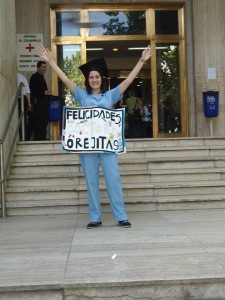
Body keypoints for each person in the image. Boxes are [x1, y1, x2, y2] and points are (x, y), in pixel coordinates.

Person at [37, 44, 153, 229]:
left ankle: (121, 215)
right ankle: (95, 217)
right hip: (88, 146)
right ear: (87, 80)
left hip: (107, 145)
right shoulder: (83, 97)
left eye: (97, 77)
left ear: (102, 78)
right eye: (91, 77)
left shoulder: (110, 96)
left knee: (113, 178)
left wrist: (141, 61)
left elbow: (129, 81)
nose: (94, 80)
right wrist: (51, 61)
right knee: (91, 180)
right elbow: (66, 80)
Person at [29, 61, 51, 140]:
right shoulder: (34, 77)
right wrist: (43, 92)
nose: (45, 69)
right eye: (43, 67)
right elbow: (32, 90)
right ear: (38, 67)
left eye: (45, 67)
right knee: (39, 122)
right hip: (38, 103)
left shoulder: (42, 77)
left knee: (44, 121)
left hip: (44, 103)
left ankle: (43, 139)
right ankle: (38, 140)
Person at [17, 72, 33, 140]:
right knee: (23, 119)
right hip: (23, 98)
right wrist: (29, 103)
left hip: (20, 98)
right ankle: (24, 137)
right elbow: (27, 91)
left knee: (21, 118)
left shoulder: (19, 76)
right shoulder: (21, 76)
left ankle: (23, 137)